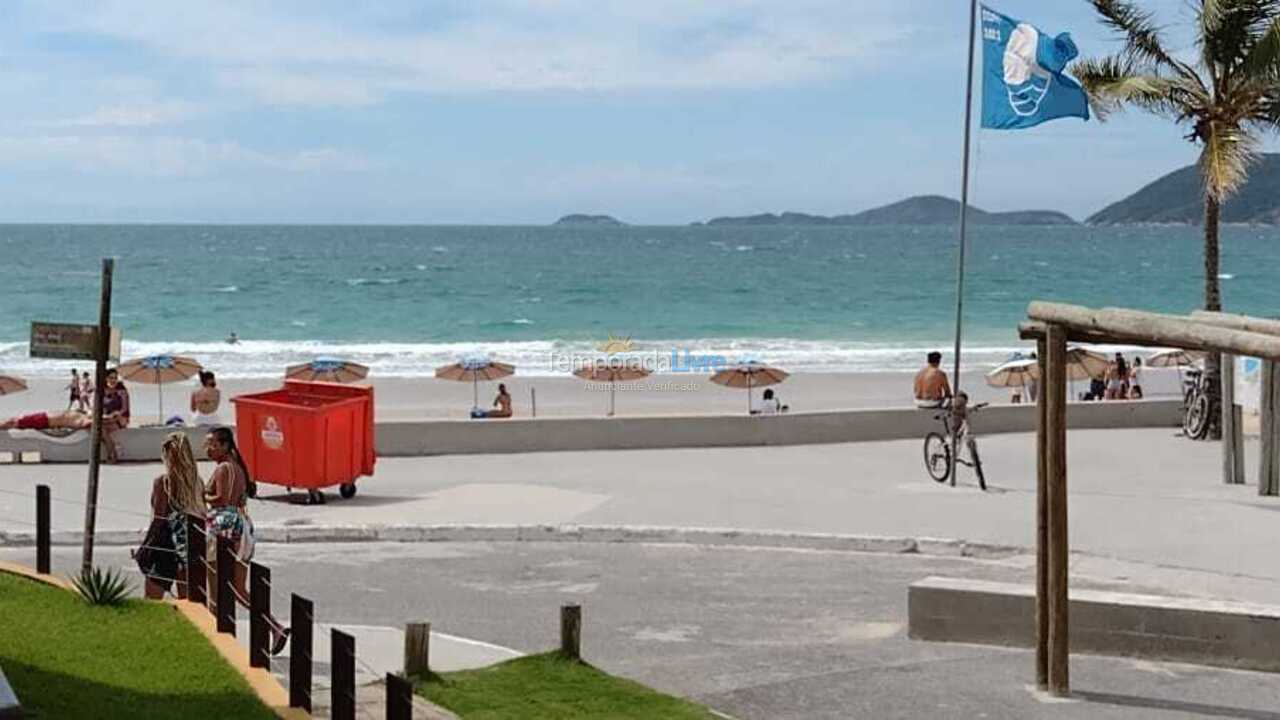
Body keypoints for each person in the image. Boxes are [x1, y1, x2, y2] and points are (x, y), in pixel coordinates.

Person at [203, 427, 289, 655]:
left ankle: (218, 645)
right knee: (239, 589)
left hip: (225, 527)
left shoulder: (224, 468)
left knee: (216, 588)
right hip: (242, 526)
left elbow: (222, 499)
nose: (208, 449)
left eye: (212, 444)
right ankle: (274, 627)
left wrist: (201, 494)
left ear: (224, 445)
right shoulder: (237, 467)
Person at [138, 432, 206, 600]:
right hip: (191, 542)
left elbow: (159, 518)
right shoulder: (198, 482)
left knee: (152, 600)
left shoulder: (163, 482)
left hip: (167, 544)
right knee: (188, 603)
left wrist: (145, 547)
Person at [98, 368, 130, 462]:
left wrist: (116, 414)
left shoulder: (121, 390)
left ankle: (111, 453)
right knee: (100, 429)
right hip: (107, 418)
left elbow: (124, 408)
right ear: (106, 378)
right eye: (111, 378)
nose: (113, 380)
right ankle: (113, 450)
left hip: (121, 418)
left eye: (115, 378)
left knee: (100, 429)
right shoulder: (103, 391)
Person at [0, 410, 93, 431]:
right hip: (44, 417)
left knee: (15, 421)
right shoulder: (79, 414)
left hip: (44, 420)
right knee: (14, 421)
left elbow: (88, 424)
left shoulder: (82, 420)